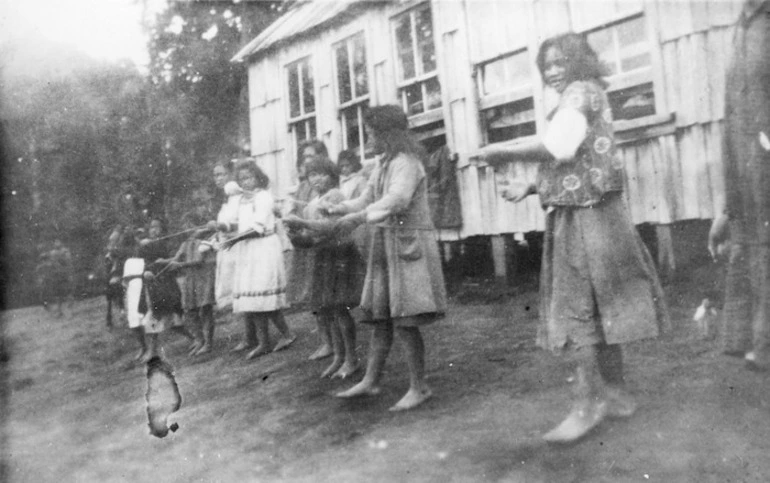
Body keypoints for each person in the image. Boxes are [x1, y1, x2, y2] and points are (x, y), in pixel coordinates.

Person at [479, 33, 669, 443]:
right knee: (602, 307)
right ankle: (616, 396)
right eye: (546, 65)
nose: (553, 70)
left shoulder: (580, 94)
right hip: (597, 210)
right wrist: (531, 188)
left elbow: (560, 146)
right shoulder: (587, 95)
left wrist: (504, 151)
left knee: (576, 309)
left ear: (580, 61)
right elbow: (578, 156)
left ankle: (588, 405)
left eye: (561, 61)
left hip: (586, 218)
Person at [327, 105, 447, 411]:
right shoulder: (383, 163)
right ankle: (371, 380)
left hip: (408, 245)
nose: (367, 138)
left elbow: (397, 200)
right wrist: (341, 208)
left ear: (387, 134)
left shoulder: (406, 163)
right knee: (381, 317)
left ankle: (419, 387)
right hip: (387, 242)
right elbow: (368, 198)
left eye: (371, 133)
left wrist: (359, 218)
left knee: (405, 319)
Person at [708, 0, 770, 372]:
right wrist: (725, 208)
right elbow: (735, 107)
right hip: (745, 158)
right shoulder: (743, 24)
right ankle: (751, 337)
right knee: (751, 243)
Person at [284, 159, 364, 379]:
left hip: (339, 255)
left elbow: (332, 227)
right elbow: (311, 238)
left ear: (332, 175)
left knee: (340, 309)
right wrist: (295, 235)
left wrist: (303, 224)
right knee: (329, 310)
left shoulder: (335, 196)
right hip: (323, 256)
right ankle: (339, 356)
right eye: (311, 175)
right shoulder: (312, 203)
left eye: (321, 174)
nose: (316, 179)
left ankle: (351, 358)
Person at [220, 160, 293, 359]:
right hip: (247, 249)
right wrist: (220, 227)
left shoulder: (264, 197)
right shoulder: (239, 200)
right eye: (242, 178)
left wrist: (234, 240)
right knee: (252, 298)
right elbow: (233, 222)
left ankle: (286, 334)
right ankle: (264, 342)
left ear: (258, 177)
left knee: (263, 295)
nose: (246, 182)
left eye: (249, 177)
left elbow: (258, 227)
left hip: (263, 247)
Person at [285, 140, 333, 360]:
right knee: (314, 294)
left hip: (319, 241)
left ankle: (331, 341)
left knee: (325, 295)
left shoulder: (326, 184)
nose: (307, 161)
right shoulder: (304, 185)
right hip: (305, 243)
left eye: (312, 156)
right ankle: (325, 338)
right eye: (304, 157)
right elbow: (297, 208)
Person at [138, 218, 200, 362]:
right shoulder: (145, 245)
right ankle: (153, 351)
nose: (154, 230)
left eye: (157, 227)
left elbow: (174, 259)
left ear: (162, 230)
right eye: (152, 227)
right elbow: (142, 262)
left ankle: (195, 339)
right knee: (159, 317)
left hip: (167, 284)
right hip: (153, 285)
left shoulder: (166, 244)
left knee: (170, 317)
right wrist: (145, 272)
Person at [169, 211, 217, 355]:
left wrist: (180, 265)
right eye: (184, 226)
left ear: (196, 226)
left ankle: (208, 343)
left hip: (202, 278)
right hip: (191, 279)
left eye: (189, 225)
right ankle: (199, 340)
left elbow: (198, 261)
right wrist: (165, 262)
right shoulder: (185, 243)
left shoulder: (202, 240)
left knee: (205, 310)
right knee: (189, 310)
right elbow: (176, 258)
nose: (187, 228)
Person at [46, 238, 75, 317]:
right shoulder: (52, 253)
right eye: (55, 242)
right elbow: (50, 265)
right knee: (58, 294)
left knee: (69, 293)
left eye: (58, 241)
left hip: (65, 274)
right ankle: (59, 311)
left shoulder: (65, 251)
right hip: (56, 276)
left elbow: (69, 263)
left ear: (61, 242)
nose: (56, 243)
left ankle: (70, 310)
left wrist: (70, 274)